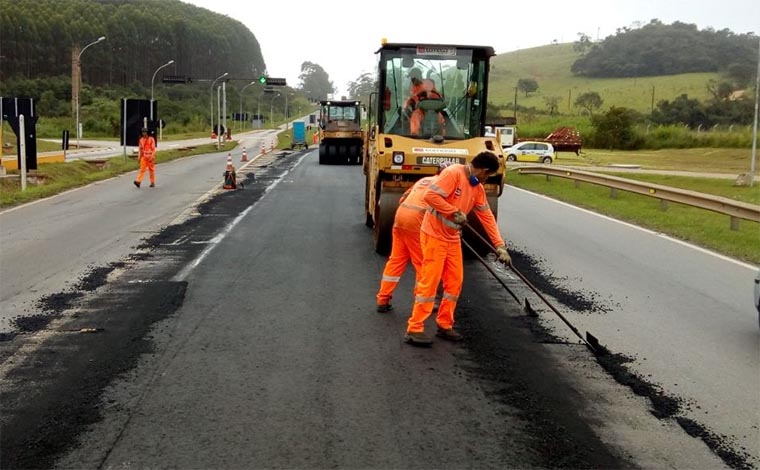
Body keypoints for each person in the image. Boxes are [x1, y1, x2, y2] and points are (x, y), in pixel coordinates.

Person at [404, 151, 511, 346]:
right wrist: (453, 212)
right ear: (484, 170)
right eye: (487, 175)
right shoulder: (453, 174)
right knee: (429, 282)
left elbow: (487, 217)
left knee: (454, 282)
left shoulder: (476, 188)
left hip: (452, 238)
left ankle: (444, 324)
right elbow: (430, 196)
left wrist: (500, 246)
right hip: (434, 235)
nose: (486, 179)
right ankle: (415, 328)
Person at [376, 162, 452, 313]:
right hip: (416, 223)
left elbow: (402, 199)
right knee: (423, 263)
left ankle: (383, 299)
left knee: (396, 260)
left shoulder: (423, 180)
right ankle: (422, 301)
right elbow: (445, 212)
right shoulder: (445, 186)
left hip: (400, 218)